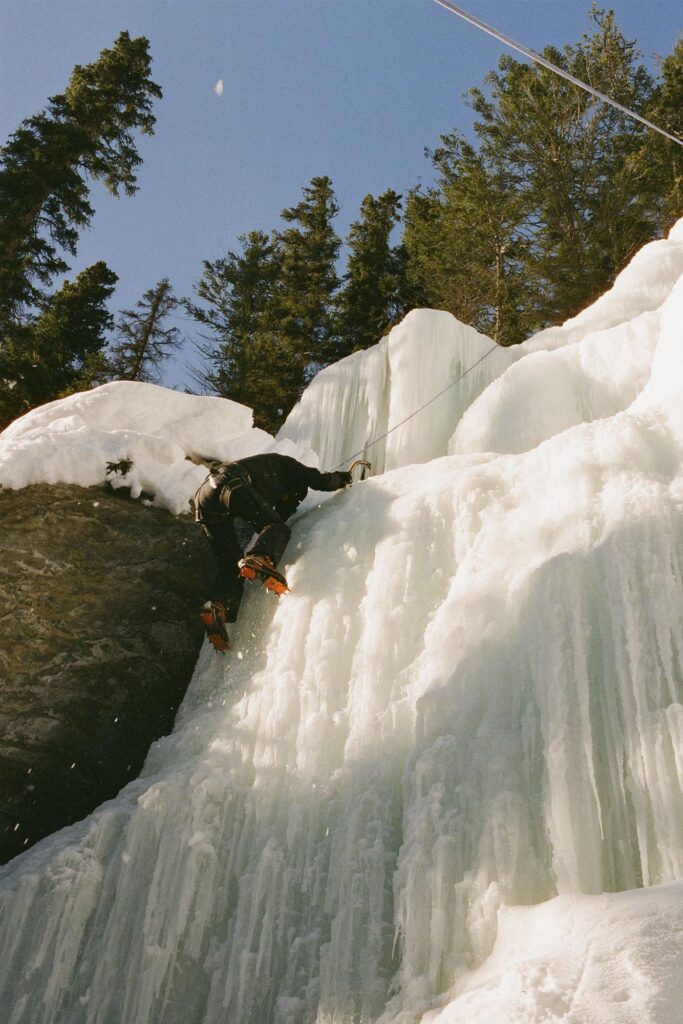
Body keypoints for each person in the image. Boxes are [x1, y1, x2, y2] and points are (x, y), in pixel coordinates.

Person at [193, 453, 352, 651]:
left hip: (204, 500)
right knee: (276, 527)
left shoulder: (272, 471)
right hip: (231, 483)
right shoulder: (291, 466)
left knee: (230, 565)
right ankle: (259, 559)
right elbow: (321, 481)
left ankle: (217, 608)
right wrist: (344, 478)